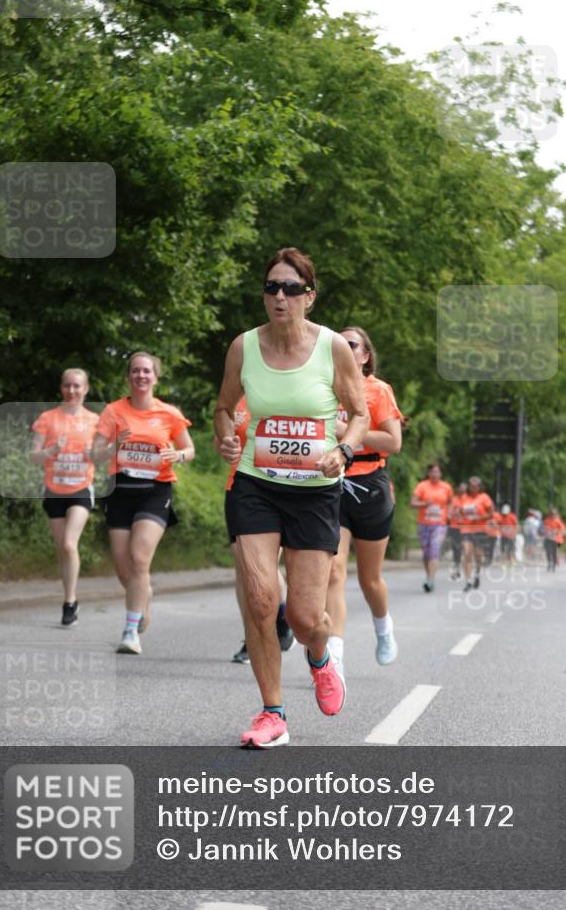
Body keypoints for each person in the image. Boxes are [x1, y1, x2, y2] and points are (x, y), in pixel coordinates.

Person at [214, 247, 369, 748]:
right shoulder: (244, 347)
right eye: (271, 287)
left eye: (291, 288)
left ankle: (321, 657)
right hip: (256, 484)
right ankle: (272, 713)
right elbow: (223, 407)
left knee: (304, 618)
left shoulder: (332, 348)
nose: (279, 297)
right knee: (262, 599)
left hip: (315, 492)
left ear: (309, 296)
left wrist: (343, 450)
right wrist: (226, 437)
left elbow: (359, 413)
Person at [93, 352, 194, 655]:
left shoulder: (169, 414)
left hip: (155, 490)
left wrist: (178, 456)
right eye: (135, 371)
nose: (141, 376)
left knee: (139, 559)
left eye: (146, 371)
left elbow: (189, 449)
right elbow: (94, 454)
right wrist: (114, 445)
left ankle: (130, 631)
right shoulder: (113, 412)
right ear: (129, 376)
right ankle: (143, 595)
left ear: (155, 377)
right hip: (120, 491)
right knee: (125, 571)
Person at [326, 327, 403, 677]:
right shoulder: (325, 389)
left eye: (351, 344)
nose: (343, 348)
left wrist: (348, 435)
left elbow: (393, 442)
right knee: (333, 571)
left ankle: (383, 627)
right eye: (338, 344)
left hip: (371, 484)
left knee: (370, 579)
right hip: (333, 482)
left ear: (365, 355)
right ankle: (335, 658)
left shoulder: (378, 390)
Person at [224, 396, 294, 663]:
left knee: (263, 567)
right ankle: (251, 637)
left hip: (279, 488)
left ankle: (282, 616)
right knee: (244, 568)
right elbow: (222, 440)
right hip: (240, 489)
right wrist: (225, 443)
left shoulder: (285, 392)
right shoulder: (237, 400)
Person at [30, 368, 99, 626]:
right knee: (62, 550)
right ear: (61, 388)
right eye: (67, 386)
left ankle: (69, 602)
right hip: (54, 490)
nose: (72, 391)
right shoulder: (48, 418)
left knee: (70, 545)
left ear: (86, 389)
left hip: (81, 489)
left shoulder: (94, 420)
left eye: (77, 386)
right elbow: (33, 456)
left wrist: (99, 451)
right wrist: (52, 449)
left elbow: (101, 456)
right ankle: (71, 598)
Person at [410, 463, 453, 592]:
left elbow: (451, 502)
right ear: (429, 474)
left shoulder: (446, 487)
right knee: (426, 554)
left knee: (434, 550)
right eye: (433, 472)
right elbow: (412, 503)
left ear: (440, 474)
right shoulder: (422, 486)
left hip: (439, 524)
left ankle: (430, 579)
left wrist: (450, 513)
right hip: (424, 524)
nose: (435, 474)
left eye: (437, 472)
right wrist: (424, 503)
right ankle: (428, 575)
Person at [455, 477, 494, 590]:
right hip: (466, 529)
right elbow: (459, 512)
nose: (474, 488)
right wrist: (459, 518)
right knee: (467, 553)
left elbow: (491, 514)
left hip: (480, 530)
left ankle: (477, 574)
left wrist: (480, 517)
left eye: (476, 486)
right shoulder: (464, 498)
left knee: (478, 556)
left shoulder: (484, 498)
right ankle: (468, 581)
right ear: (469, 487)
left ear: (479, 487)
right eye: (472, 486)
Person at [447, 482, 467, 579]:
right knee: (456, 549)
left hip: (465, 528)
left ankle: (463, 567)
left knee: (463, 548)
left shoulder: (468, 499)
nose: (462, 491)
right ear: (457, 489)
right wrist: (451, 514)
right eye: (460, 489)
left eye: (464, 490)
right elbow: (449, 512)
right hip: (454, 527)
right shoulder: (453, 500)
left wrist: (462, 512)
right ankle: (457, 569)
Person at [543, 507, 565, 572]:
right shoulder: (546, 520)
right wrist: (546, 530)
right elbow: (543, 527)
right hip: (548, 538)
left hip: (555, 539)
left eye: (554, 514)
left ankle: (554, 565)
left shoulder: (558, 521)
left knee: (554, 552)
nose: (552, 515)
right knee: (548, 552)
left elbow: (562, 529)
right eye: (551, 513)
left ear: (555, 514)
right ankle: (549, 562)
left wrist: (556, 531)